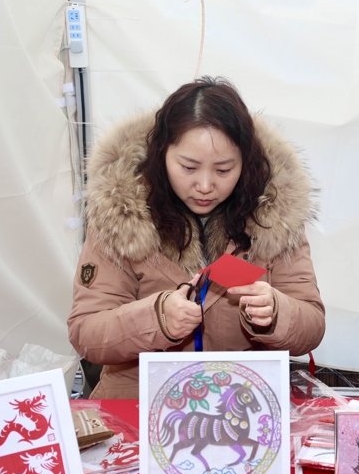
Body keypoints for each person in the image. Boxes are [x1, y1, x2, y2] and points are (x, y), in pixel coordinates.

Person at [68, 77, 325, 399]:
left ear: (246, 162)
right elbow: (86, 333)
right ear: (161, 153)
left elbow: (312, 326)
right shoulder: (120, 215)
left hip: (241, 399)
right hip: (140, 400)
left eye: (223, 170)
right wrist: (157, 317)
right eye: (188, 167)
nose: (205, 186)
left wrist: (276, 311)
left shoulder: (275, 217)